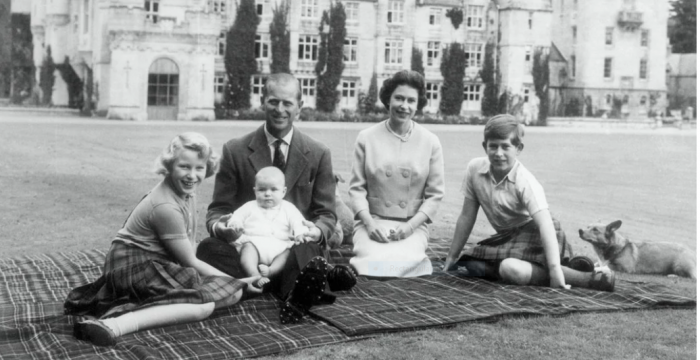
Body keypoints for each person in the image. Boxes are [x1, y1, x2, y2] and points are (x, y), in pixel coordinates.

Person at [64, 133, 259, 347]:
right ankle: (113, 324)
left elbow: (190, 247)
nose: (192, 175)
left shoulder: (187, 193)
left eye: (199, 168)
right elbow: (190, 262)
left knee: (230, 293)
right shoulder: (165, 207)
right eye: (184, 167)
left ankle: (149, 306)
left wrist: (232, 282)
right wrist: (238, 280)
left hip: (156, 265)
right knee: (206, 305)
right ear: (169, 165)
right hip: (131, 267)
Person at [196, 72, 357, 324]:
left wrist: (315, 231)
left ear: (299, 107)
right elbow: (218, 210)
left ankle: (265, 285)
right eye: (273, 101)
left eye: (287, 103)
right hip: (246, 248)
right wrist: (222, 227)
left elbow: (326, 214)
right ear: (263, 101)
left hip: (293, 248)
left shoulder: (318, 153)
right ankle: (301, 285)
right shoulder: (235, 150)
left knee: (310, 250)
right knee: (208, 248)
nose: (279, 109)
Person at [442, 114, 615, 292]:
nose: (498, 153)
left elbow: (545, 224)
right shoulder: (474, 169)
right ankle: (570, 266)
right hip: (507, 238)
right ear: (484, 146)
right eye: (493, 146)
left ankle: (589, 278)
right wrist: (452, 256)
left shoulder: (525, 181)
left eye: (505, 146)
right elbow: (466, 216)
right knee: (473, 265)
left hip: (538, 233)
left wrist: (554, 270)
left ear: (518, 148)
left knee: (510, 269)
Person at [348, 70, 445, 277]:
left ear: (418, 104)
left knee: (404, 264)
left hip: (411, 224)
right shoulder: (366, 138)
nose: (404, 106)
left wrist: (411, 227)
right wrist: (370, 224)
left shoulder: (430, 141)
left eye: (411, 100)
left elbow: (435, 196)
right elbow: (356, 190)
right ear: (388, 100)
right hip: (373, 221)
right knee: (372, 265)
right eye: (399, 98)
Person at [225, 166, 307, 287]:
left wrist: (300, 233)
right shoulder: (250, 206)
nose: (268, 194)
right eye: (262, 190)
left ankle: (271, 271)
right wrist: (235, 223)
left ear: (283, 192)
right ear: (255, 191)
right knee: (247, 250)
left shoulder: (288, 208)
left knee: (287, 254)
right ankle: (254, 274)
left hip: (280, 245)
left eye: (274, 190)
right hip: (254, 243)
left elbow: (299, 221)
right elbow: (236, 217)